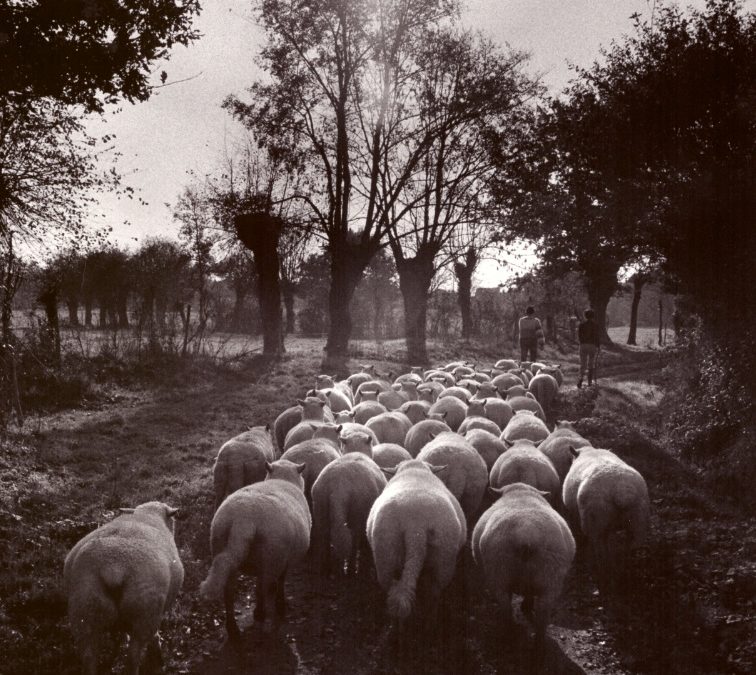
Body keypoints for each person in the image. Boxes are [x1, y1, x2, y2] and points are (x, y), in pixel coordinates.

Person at [577, 309, 601, 388]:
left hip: (583, 345)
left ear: (585, 316)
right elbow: (597, 336)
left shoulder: (581, 325)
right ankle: (589, 382)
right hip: (592, 345)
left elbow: (579, 336)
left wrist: (581, 343)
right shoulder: (596, 325)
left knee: (583, 364)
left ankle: (580, 379)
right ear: (593, 316)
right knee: (591, 363)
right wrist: (598, 346)